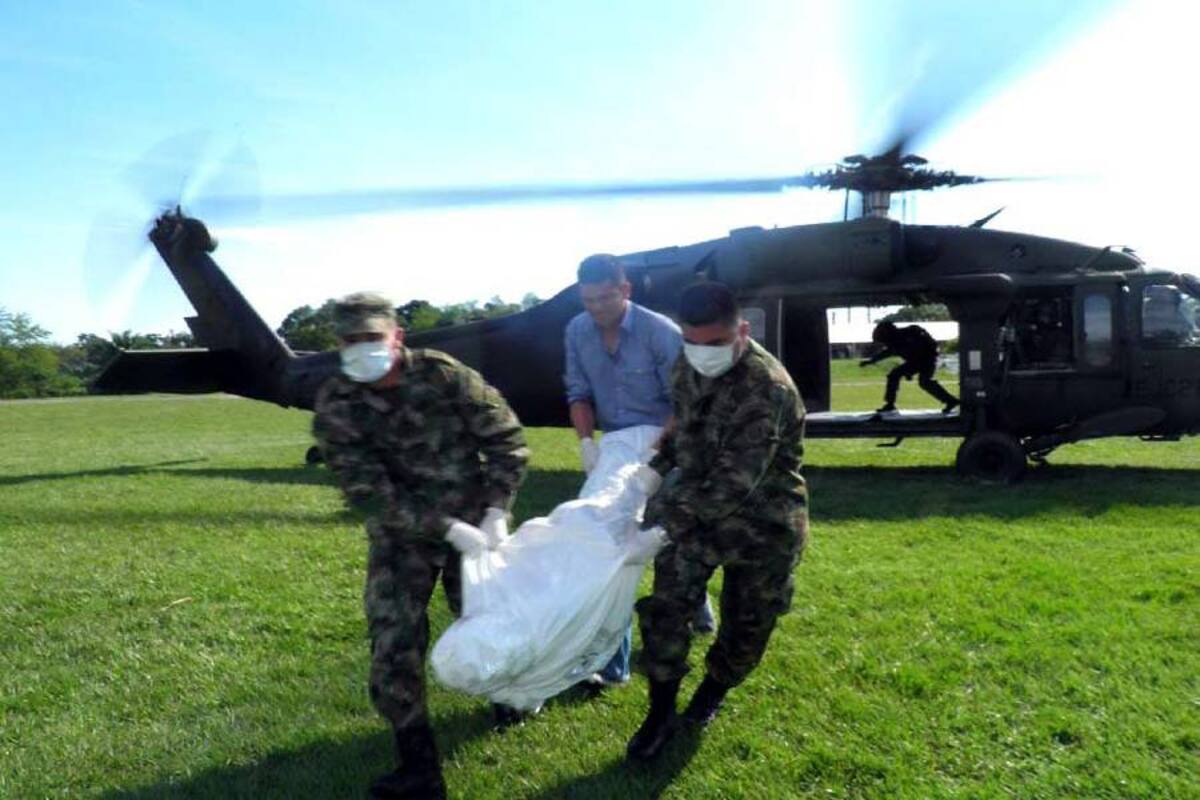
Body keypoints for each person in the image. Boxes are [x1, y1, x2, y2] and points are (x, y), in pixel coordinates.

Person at [312, 292, 529, 800]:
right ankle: (418, 765)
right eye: (350, 340)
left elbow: (505, 438)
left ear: (397, 336)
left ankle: (511, 698)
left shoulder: (443, 375)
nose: (362, 348)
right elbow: (367, 492)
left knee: (488, 621)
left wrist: (498, 509)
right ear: (338, 345)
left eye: (372, 337)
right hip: (401, 535)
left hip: (476, 526)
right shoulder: (336, 403)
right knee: (393, 641)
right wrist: (445, 527)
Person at [626, 281, 808, 761]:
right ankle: (660, 712)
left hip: (763, 523)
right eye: (692, 342)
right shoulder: (688, 363)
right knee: (666, 609)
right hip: (695, 511)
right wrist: (654, 471)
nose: (702, 354)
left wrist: (663, 528)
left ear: (742, 331)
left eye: (714, 344)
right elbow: (684, 431)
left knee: (748, 626)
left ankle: (709, 697)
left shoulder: (767, 389)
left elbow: (736, 483)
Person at [563, 254, 717, 687]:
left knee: (669, 535)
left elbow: (684, 403)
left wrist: (655, 456)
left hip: (664, 439)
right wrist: (586, 443)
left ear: (625, 290)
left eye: (604, 298)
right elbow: (577, 392)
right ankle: (612, 662)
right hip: (613, 444)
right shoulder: (576, 330)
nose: (595, 308)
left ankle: (697, 603)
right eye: (588, 300)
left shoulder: (659, 333)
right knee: (611, 538)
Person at [859, 320, 959, 415]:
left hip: (927, 360)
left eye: (884, 340)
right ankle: (890, 404)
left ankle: (951, 401)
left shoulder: (910, 333)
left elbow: (924, 350)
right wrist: (871, 361)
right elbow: (887, 353)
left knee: (924, 382)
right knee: (894, 375)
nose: (885, 343)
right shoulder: (896, 340)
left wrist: (909, 371)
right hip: (916, 362)